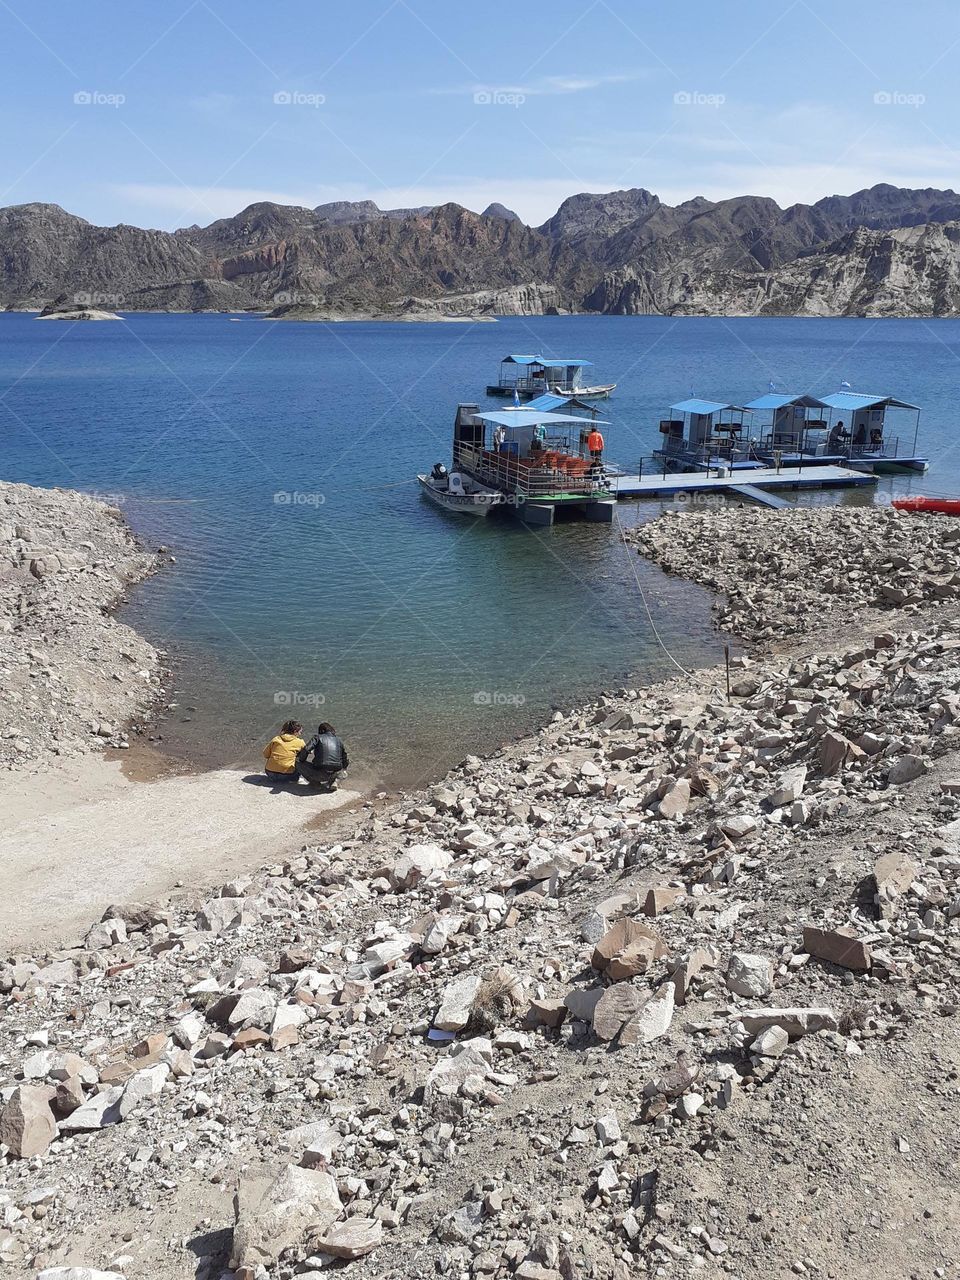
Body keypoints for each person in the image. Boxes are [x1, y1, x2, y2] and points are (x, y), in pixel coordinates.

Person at [297, 721, 350, 790]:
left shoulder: (317, 737)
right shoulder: (339, 740)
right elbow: (344, 758)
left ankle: (315, 783)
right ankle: (335, 781)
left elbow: (306, 749)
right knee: (341, 770)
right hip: (334, 772)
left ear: (322, 731)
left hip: (319, 772)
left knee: (297, 762)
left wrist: (302, 760)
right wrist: (344, 768)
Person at [262, 719, 305, 784]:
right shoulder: (300, 742)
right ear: (295, 731)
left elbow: (265, 754)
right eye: (300, 732)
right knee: (301, 758)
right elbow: (303, 757)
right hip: (288, 775)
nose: (300, 734)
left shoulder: (276, 739)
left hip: (270, 773)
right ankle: (294, 780)